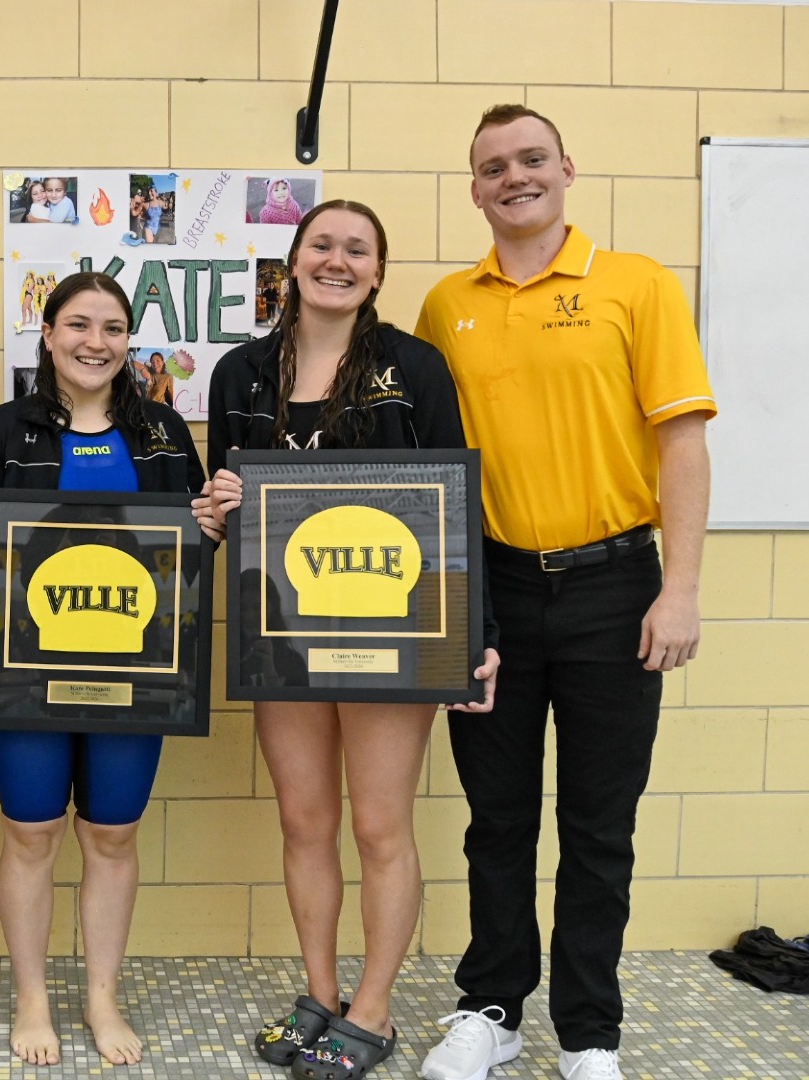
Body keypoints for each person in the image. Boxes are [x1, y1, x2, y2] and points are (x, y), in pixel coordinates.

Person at [411, 105, 714, 1080]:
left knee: (597, 825)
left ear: (567, 168)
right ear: (474, 189)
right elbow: (421, 466)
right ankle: (492, 1009)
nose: (515, 177)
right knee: (496, 819)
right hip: (490, 591)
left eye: (530, 159)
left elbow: (683, 445)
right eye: (494, 166)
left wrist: (680, 589)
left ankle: (589, 1034)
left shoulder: (636, 285)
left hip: (616, 584)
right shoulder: (445, 305)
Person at [205, 200, 501, 1080]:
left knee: (378, 825)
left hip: (393, 633)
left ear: (377, 272)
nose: (337, 260)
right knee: (304, 819)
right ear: (292, 263)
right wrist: (217, 512)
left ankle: (371, 1009)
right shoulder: (240, 373)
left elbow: (455, 507)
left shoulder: (415, 367)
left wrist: (474, 633)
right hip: (283, 632)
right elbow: (226, 502)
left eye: (357, 250)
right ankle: (320, 993)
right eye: (321, 245)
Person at [0, 271, 220, 1069]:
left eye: (111, 327)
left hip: (136, 676)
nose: (94, 341)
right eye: (77, 324)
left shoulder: (165, 430)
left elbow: (190, 557)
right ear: (49, 332)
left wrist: (212, 524)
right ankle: (32, 997)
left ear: (129, 340)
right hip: (21, 672)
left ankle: (102, 994)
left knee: (113, 832)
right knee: (31, 833)